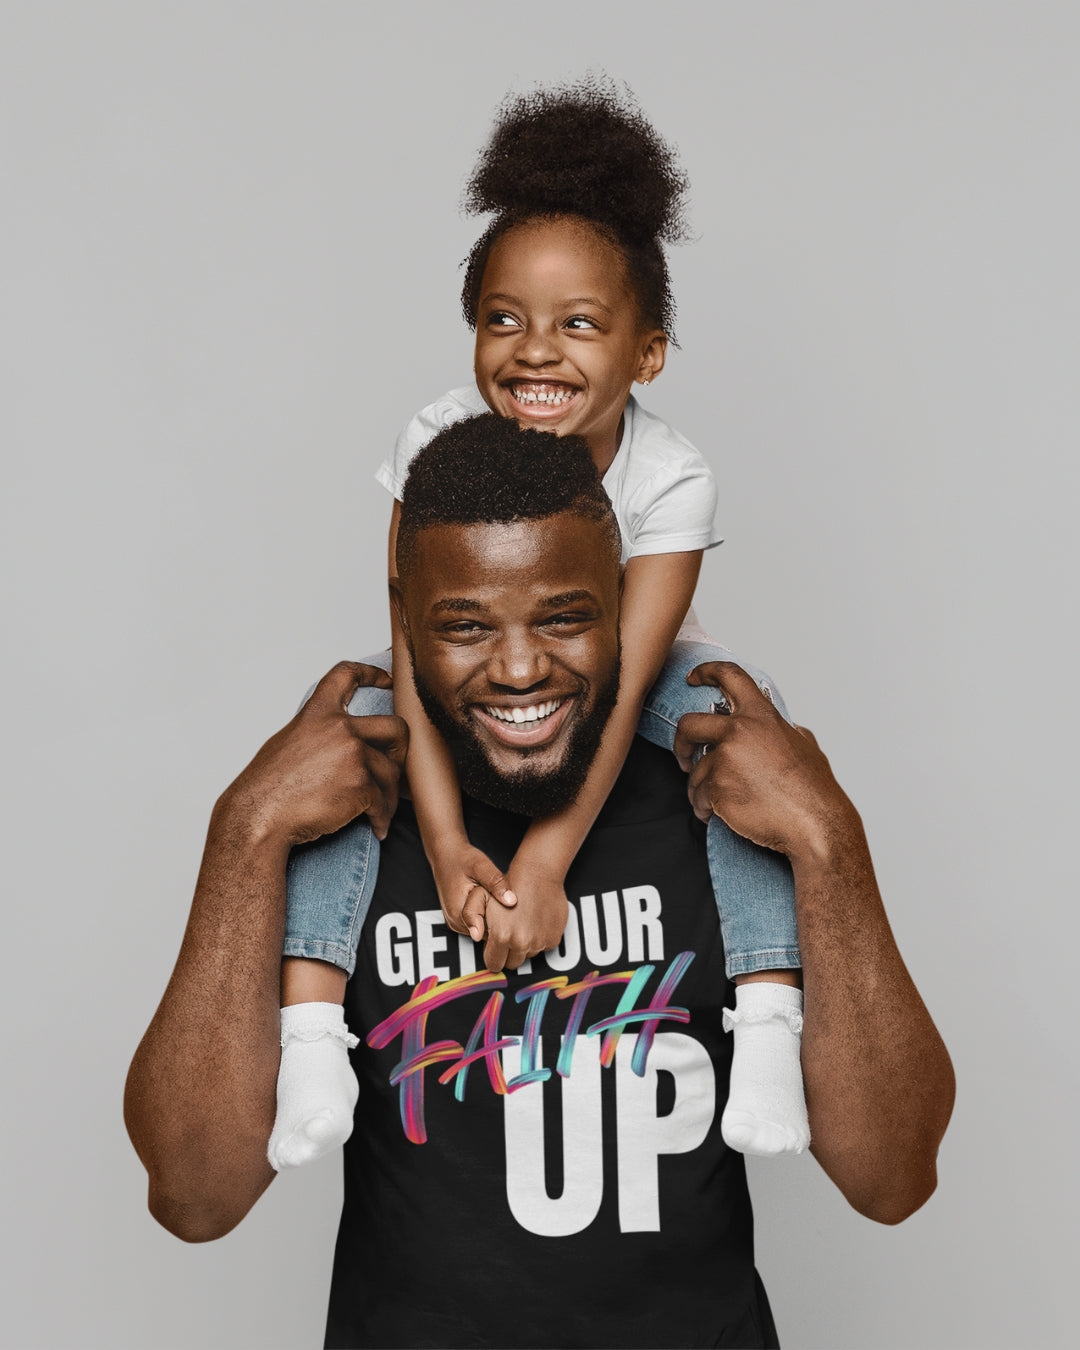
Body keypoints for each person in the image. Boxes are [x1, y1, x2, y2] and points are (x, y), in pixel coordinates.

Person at [125, 417, 955, 1350]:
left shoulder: (723, 788)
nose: (520, 668)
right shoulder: (349, 809)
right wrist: (243, 832)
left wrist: (830, 839)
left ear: (627, 605)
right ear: (404, 621)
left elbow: (893, 1180)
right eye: (465, 626)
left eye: (565, 616)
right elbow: (195, 1197)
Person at [272, 75, 810, 1172]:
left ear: (646, 353)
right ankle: (309, 1031)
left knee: (747, 714)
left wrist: (550, 863)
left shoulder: (673, 476)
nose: (535, 351)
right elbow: (421, 654)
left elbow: (621, 687)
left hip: (616, 662)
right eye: (503, 320)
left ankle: (765, 1020)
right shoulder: (436, 433)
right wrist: (448, 841)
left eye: (578, 325)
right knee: (348, 717)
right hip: (468, 656)